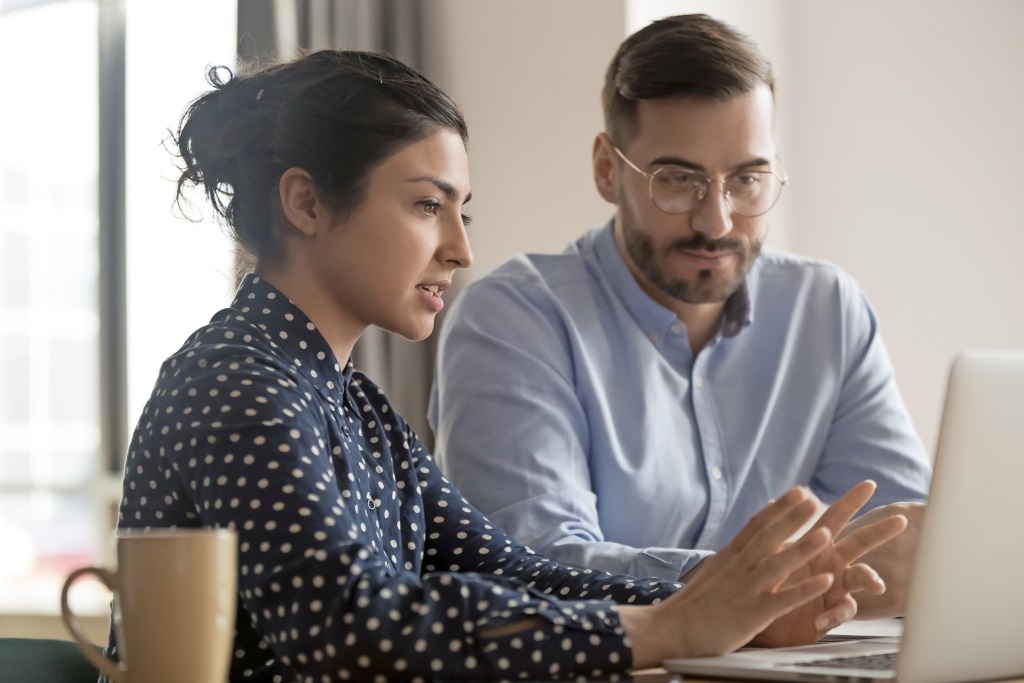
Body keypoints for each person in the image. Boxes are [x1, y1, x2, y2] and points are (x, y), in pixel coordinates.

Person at [104, 49, 909, 682]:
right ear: (307, 202)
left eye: (463, 211)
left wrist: (735, 601)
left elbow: (515, 572)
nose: (462, 248)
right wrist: (672, 626)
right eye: (427, 205)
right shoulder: (235, 382)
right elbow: (346, 630)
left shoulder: (356, 407)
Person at [429, 14, 932, 620]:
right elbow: (535, 566)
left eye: (747, 179)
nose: (715, 221)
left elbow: (910, 545)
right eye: (678, 179)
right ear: (607, 170)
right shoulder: (512, 319)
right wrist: (757, 586)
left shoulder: (826, 310)